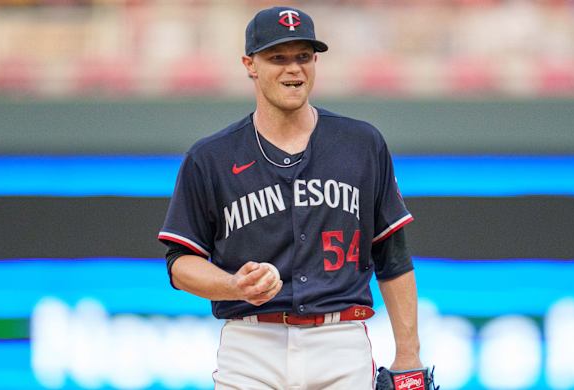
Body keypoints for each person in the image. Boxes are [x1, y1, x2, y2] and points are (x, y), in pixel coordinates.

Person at [159, 6, 422, 389]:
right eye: (277, 58)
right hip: (251, 343)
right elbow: (180, 262)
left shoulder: (361, 144)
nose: (293, 69)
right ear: (250, 64)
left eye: (303, 56)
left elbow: (392, 255)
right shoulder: (211, 157)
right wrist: (233, 286)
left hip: (339, 339)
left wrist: (409, 356)